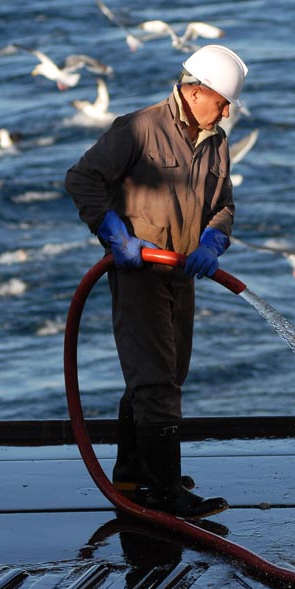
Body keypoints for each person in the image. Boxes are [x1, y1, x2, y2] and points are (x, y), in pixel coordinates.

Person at [65, 44, 248, 521]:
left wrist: (213, 239)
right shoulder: (139, 129)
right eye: (222, 101)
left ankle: (133, 475)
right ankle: (165, 491)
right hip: (139, 273)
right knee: (156, 384)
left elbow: (224, 202)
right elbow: (82, 178)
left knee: (166, 375)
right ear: (194, 91)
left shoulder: (216, 141)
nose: (227, 111)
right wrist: (113, 233)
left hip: (182, 274)